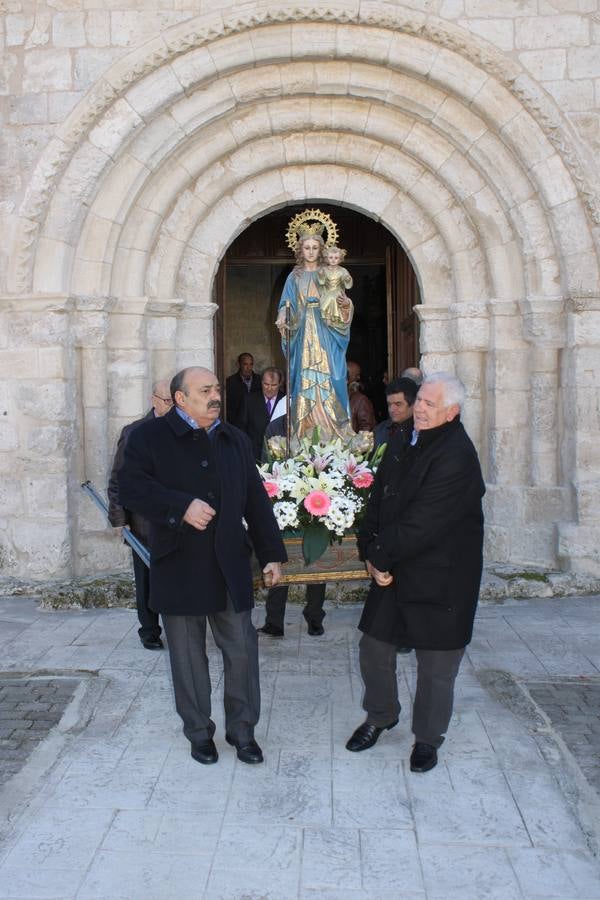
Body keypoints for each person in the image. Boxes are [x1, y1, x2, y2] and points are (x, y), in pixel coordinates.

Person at [118, 366, 287, 766]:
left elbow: (255, 499)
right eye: (206, 390)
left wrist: (271, 553)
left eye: (216, 389)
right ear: (180, 399)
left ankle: (243, 732)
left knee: (242, 651)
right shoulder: (148, 437)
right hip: (179, 565)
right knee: (188, 657)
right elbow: (131, 488)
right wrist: (180, 507)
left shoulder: (234, 439)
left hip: (229, 563)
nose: (216, 395)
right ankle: (199, 733)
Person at [346, 372, 485, 773]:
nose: (418, 408)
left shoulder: (457, 454)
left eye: (428, 403)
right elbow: (380, 495)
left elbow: (427, 521)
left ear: (451, 412)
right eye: (419, 399)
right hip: (395, 564)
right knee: (374, 647)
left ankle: (427, 738)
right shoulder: (403, 438)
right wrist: (369, 548)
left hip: (442, 576)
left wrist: (381, 557)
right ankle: (381, 714)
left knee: (436, 666)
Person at [107, 379, 173, 651]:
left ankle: (180, 627)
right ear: (154, 400)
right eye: (166, 400)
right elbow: (118, 478)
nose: (171, 406)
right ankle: (149, 631)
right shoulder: (135, 432)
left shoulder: (188, 430)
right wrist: (119, 519)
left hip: (177, 519)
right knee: (146, 578)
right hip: (144, 522)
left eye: (175, 400)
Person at [276, 225, 354, 443]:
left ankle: (334, 432)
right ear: (301, 250)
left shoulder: (330, 273)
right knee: (304, 379)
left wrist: (346, 304)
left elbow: (341, 301)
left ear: (322, 249)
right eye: (307, 247)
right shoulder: (294, 276)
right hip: (303, 332)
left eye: (315, 247)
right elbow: (286, 303)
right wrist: (283, 315)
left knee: (333, 377)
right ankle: (304, 431)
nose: (311, 252)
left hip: (326, 330)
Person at [258, 412, 327, 636]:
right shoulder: (276, 426)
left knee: (315, 556)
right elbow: (266, 460)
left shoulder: (318, 423)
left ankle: (315, 617)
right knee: (279, 557)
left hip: (315, 496)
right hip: (283, 498)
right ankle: (274, 621)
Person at [241, 367, 286, 461]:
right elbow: (241, 428)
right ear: (261, 382)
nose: (269, 388)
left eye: (273, 385)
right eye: (266, 384)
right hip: (254, 455)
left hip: (280, 457)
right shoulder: (249, 400)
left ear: (280, 384)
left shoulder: (285, 401)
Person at [373, 376, 418, 450]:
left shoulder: (419, 432)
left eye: (398, 404)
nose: (391, 409)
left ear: (413, 404)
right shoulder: (379, 430)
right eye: (389, 404)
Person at [317, 245, 353, 327]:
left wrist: (347, 279)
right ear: (327, 258)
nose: (333, 260)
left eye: (336, 258)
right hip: (327, 292)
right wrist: (321, 275)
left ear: (340, 259)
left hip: (337, 292)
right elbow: (321, 282)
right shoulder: (324, 269)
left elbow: (347, 282)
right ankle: (327, 317)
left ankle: (335, 318)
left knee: (333, 298)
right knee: (329, 297)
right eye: (331, 257)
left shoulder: (343, 270)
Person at [225, 353, 261, 428]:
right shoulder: (230, 382)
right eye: (245, 364)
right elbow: (228, 407)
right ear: (239, 364)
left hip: (256, 424)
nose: (249, 368)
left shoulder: (260, 380)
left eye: (251, 364)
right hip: (236, 425)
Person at [347, 360, 376, 433]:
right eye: (356, 375)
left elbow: (367, 429)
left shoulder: (361, 400)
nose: (359, 378)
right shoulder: (332, 397)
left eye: (358, 375)